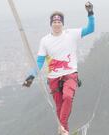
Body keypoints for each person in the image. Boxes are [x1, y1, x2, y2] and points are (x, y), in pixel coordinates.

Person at [22, 1, 95, 135]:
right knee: (60, 109)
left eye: (59, 21)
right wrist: (31, 76)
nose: (56, 24)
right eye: (54, 22)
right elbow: (39, 62)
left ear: (62, 23)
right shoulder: (45, 41)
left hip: (70, 74)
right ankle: (64, 131)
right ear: (51, 24)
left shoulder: (71, 34)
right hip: (54, 79)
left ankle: (61, 129)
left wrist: (90, 13)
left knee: (67, 97)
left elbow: (90, 29)